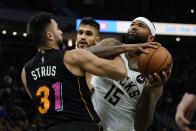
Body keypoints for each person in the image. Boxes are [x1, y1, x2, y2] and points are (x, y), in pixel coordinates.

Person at [21, 12, 159, 131]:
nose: (61, 32)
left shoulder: (25, 71)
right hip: (83, 125)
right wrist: (119, 47)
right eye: (58, 29)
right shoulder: (73, 58)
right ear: (50, 35)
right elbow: (120, 71)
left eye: (141, 25)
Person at [82, 17, 171, 131]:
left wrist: (148, 90)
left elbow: (142, 126)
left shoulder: (153, 74)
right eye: (132, 24)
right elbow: (82, 55)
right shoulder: (111, 44)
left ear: (151, 38)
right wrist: (125, 48)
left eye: (141, 26)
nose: (134, 26)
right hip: (89, 125)